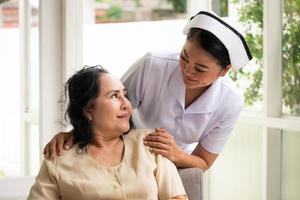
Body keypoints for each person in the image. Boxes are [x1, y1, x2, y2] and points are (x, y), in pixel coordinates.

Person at [43, 11, 252, 171]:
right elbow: (110, 108)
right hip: (123, 150)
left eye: (200, 69)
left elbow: (204, 161)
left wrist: (175, 154)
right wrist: (74, 135)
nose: (187, 71)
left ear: (224, 71)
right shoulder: (154, 64)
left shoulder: (230, 103)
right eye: (184, 57)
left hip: (172, 164)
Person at [28, 66, 187, 200]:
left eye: (125, 95)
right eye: (114, 96)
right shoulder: (59, 159)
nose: (126, 104)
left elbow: (176, 197)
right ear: (88, 110)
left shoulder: (150, 143)